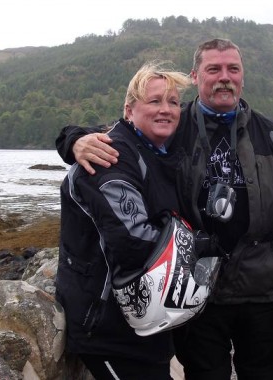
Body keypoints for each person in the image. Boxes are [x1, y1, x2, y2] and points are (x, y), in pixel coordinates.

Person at [56, 39, 273, 380]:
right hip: (198, 297)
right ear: (196, 76)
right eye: (213, 69)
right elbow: (121, 136)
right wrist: (74, 140)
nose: (224, 78)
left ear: (243, 76)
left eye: (232, 69)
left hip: (259, 292)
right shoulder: (174, 128)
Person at [56, 61, 193, 380]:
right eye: (155, 101)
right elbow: (133, 241)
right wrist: (198, 245)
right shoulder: (109, 156)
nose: (166, 109)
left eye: (173, 102)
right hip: (107, 329)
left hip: (143, 323)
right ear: (129, 110)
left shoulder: (157, 152)